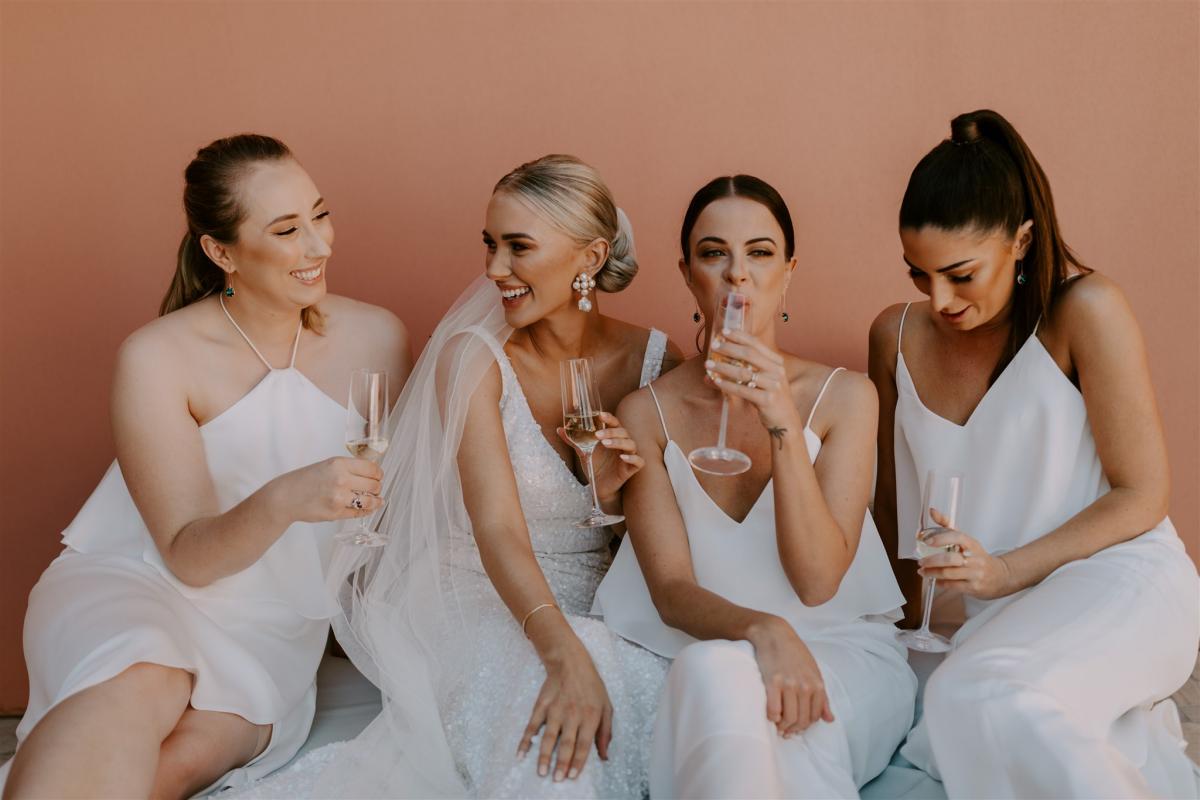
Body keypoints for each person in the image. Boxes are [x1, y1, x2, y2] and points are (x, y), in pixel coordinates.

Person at [231, 154, 684, 799]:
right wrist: (560, 650)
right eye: (490, 245)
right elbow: (496, 527)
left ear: (590, 257)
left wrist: (615, 499)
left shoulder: (659, 361)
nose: (494, 270)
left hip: (603, 597)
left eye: (518, 247)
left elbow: (661, 540)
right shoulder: (474, 357)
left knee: (645, 694)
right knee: (545, 699)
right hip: (475, 592)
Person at [1, 134, 412, 799]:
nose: (319, 245)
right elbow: (187, 555)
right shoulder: (157, 356)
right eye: (286, 229)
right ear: (221, 252)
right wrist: (288, 497)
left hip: (273, 630)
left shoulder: (380, 336)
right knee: (145, 681)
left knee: (186, 760)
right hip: (142, 584)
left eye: (320, 214)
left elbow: (393, 506)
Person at [868, 109, 1200, 797]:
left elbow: (1143, 494)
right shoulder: (893, 336)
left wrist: (1004, 571)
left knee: (989, 697)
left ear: (1020, 239)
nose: (939, 299)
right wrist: (892, 638)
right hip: (999, 616)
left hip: (1120, 577)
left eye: (960, 274)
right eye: (918, 274)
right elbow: (889, 511)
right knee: (948, 719)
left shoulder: (1087, 309)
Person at [594, 175, 914, 799]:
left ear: (788, 271)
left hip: (839, 653)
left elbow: (818, 580)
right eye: (714, 253)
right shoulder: (645, 413)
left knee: (757, 716)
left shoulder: (845, 398)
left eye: (760, 253)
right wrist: (765, 632)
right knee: (714, 672)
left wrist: (782, 424)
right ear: (688, 273)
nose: (737, 274)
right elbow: (671, 592)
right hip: (701, 650)